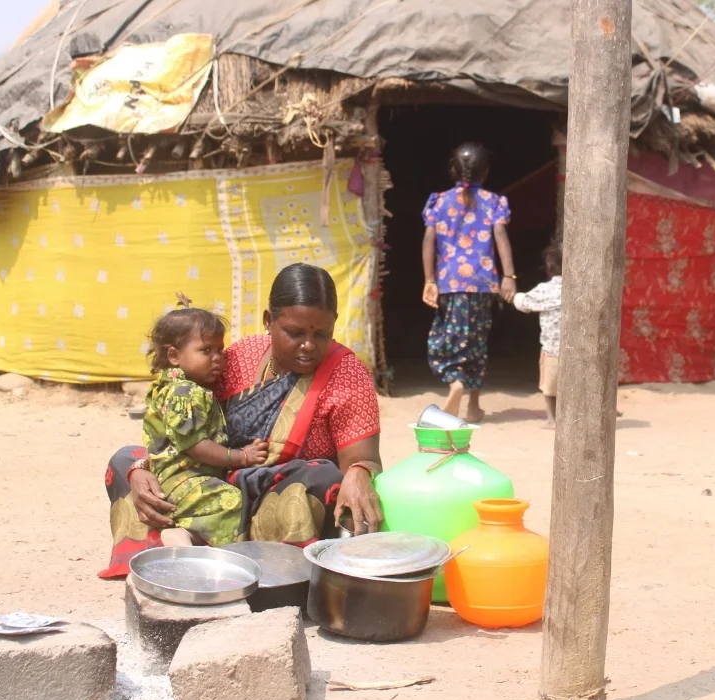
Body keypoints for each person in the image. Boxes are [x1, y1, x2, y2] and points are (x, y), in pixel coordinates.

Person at [99, 264, 384, 578]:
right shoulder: (239, 356)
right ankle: (171, 555)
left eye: (322, 334)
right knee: (125, 460)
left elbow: (361, 460)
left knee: (321, 477)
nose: (309, 344)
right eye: (295, 332)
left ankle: (255, 566)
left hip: (273, 494)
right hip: (207, 483)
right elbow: (181, 426)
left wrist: (359, 472)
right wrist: (143, 470)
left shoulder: (347, 374)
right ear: (268, 321)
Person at [141, 298, 269, 548]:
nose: (217, 358)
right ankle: (189, 540)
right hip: (185, 480)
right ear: (174, 356)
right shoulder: (184, 393)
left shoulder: (176, 388)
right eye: (206, 350)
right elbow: (195, 445)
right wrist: (241, 457)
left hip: (185, 480)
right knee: (232, 502)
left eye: (219, 350)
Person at [421, 142, 517, 423]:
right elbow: (501, 237)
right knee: (476, 341)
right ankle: (473, 406)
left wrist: (429, 279)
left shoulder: (438, 202)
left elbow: (429, 240)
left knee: (448, 339)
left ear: (452, 169)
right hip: (484, 285)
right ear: (485, 172)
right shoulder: (494, 202)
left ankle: (456, 383)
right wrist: (509, 276)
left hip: (450, 283)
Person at [514, 244, 562, 429]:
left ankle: (553, 420)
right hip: (579, 350)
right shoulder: (581, 289)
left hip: (552, 350)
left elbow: (524, 303)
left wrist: (514, 296)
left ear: (549, 267)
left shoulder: (545, 290)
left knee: (550, 388)